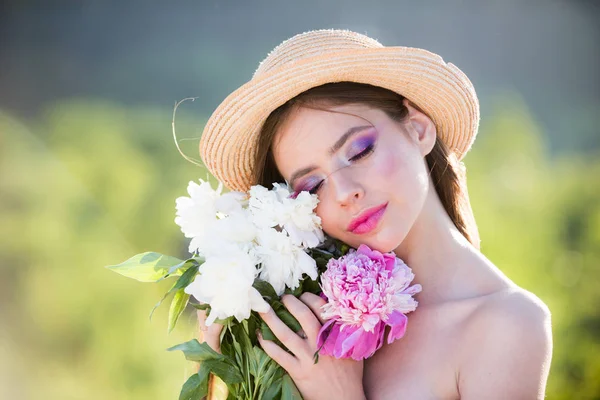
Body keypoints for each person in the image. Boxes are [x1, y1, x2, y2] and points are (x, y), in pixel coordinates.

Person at [195, 29, 553, 399]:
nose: (345, 192)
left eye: (360, 150)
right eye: (312, 186)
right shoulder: (301, 322)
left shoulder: (506, 323)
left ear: (418, 128)